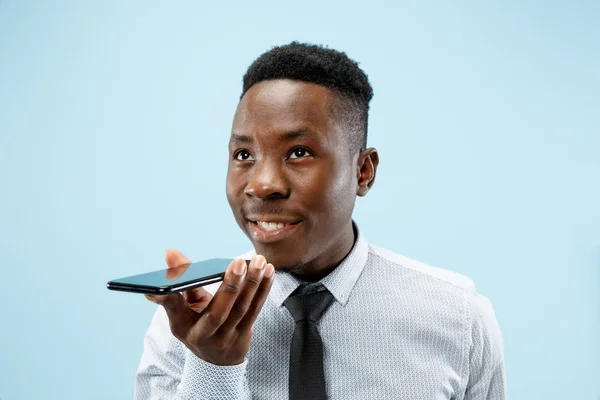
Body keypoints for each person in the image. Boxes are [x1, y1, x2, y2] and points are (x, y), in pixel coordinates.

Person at [134, 42, 507, 399]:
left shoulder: (459, 318)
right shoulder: (187, 324)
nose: (263, 185)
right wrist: (213, 366)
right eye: (244, 154)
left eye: (299, 152)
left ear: (363, 172)